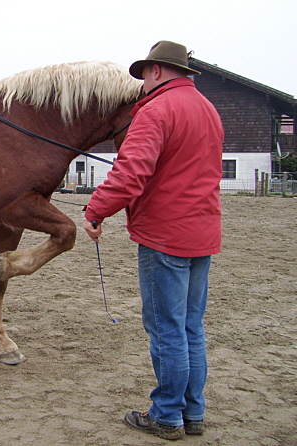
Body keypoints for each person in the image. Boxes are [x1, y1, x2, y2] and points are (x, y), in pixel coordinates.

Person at [84, 41, 224, 440]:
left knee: (166, 329)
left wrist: (96, 210)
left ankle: (166, 416)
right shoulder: (208, 111)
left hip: (165, 235)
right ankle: (192, 413)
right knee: (190, 328)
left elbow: (130, 174)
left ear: (158, 71)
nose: (142, 82)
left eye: (144, 73)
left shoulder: (156, 111)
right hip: (203, 232)